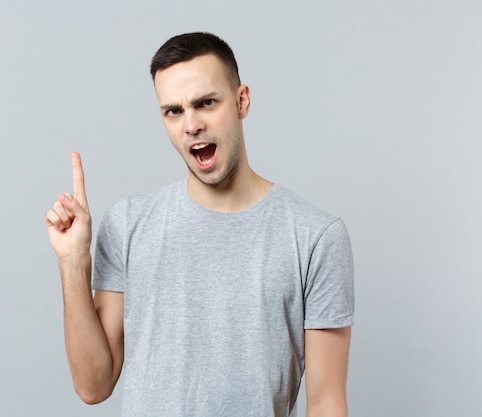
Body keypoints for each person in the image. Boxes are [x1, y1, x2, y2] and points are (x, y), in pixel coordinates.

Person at [45, 32, 354, 417]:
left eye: (206, 103)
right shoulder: (128, 224)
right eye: (173, 111)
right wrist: (73, 261)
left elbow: (326, 402)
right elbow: (93, 385)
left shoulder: (315, 237)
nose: (191, 125)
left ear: (242, 101)